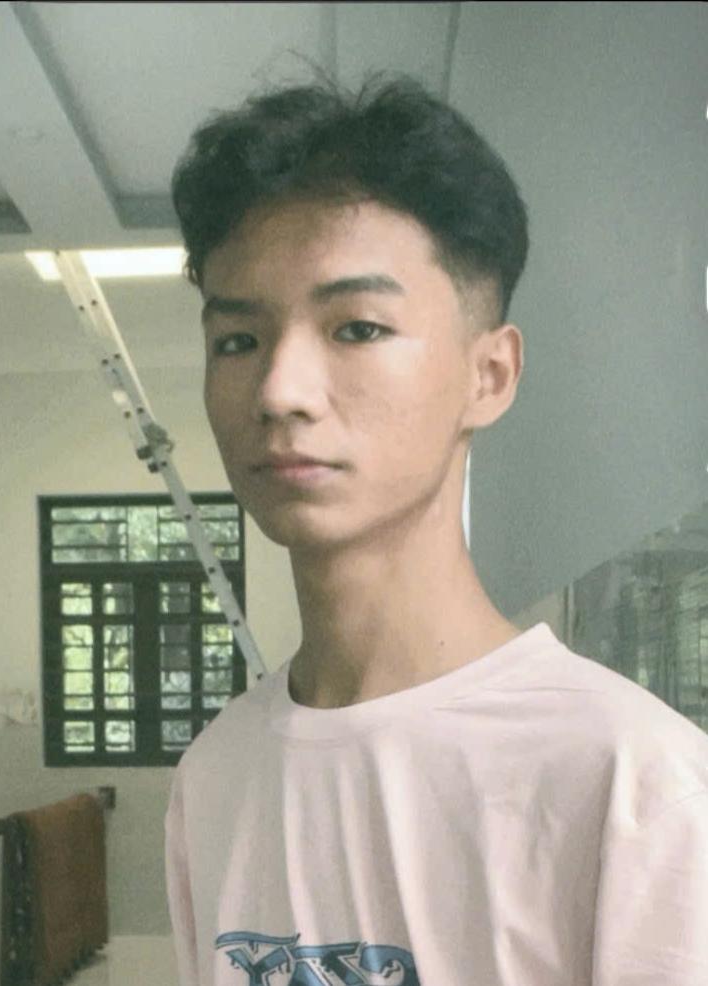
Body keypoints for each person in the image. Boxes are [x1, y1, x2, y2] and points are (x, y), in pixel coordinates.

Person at [162, 73, 708, 986]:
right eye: (238, 341)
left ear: (489, 376)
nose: (280, 391)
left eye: (357, 329)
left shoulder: (632, 785)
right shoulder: (217, 776)